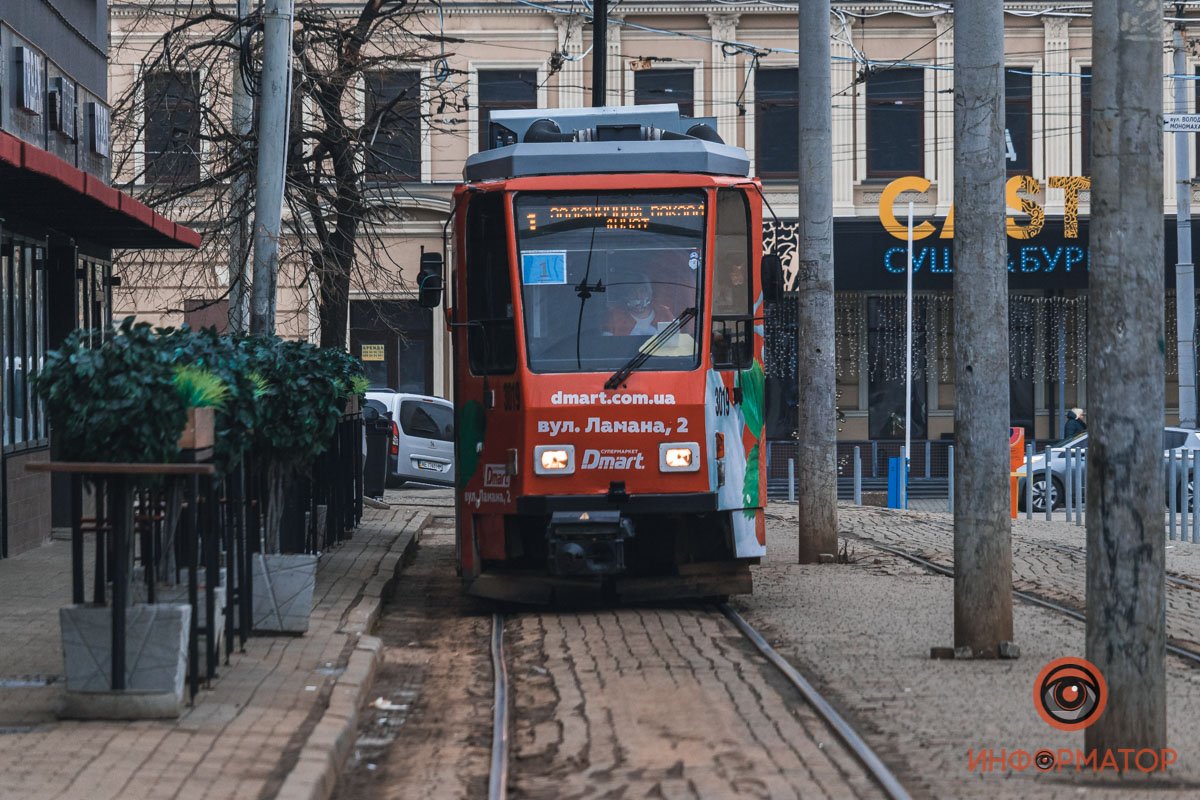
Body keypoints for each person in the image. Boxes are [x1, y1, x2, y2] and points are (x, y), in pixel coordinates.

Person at [606, 279, 674, 336]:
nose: (638, 296)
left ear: (649, 292)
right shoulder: (614, 316)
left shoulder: (664, 313)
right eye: (632, 292)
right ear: (626, 295)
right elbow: (607, 344)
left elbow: (676, 341)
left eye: (642, 291)